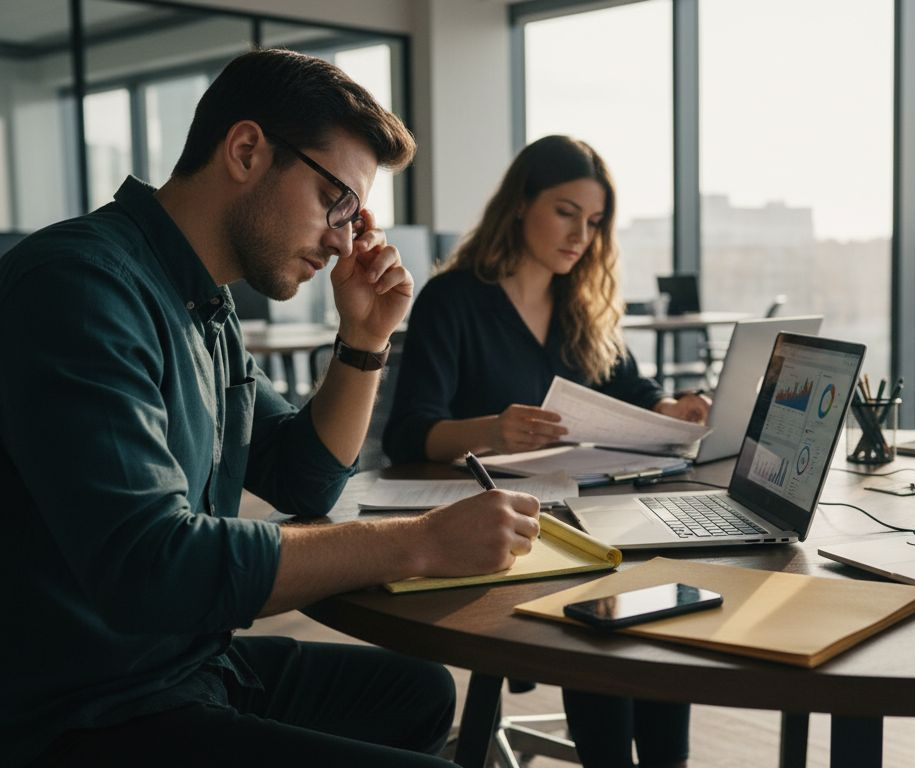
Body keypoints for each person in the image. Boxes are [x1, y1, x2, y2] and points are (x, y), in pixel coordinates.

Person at [0, 49, 543, 766]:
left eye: (355, 215)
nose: (345, 239)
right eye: (335, 202)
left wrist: (364, 338)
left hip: (178, 671)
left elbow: (305, 479)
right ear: (248, 150)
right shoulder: (81, 287)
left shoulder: (203, 305)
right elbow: (151, 567)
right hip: (82, 712)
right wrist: (422, 540)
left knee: (417, 693)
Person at [383, 135, 707, 768]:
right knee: (605, 605)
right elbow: (408, 431)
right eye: (565, 212)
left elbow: (628, 386)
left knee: (664, 589)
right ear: (520, 203)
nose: (580, 235)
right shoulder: (454, 300)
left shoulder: (580, 302)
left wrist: (669, 408)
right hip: (490, 520)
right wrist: (492, 430)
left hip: (579, 507)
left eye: (593, 222)